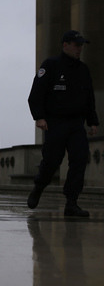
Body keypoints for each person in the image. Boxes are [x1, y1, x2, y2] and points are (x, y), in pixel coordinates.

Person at [27, 30, 99, 217]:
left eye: (81, 45)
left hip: (76, 124)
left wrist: (92, 122)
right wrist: (39, 117)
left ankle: (71, 202)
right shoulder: (50, 65)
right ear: (65, 45)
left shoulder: (83, 69)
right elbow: (36, 95)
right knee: (51, 162)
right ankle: (38, 188)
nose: (80, 49)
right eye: (77, 45)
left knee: (79, 161)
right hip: (55, 123)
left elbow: (89, 98)